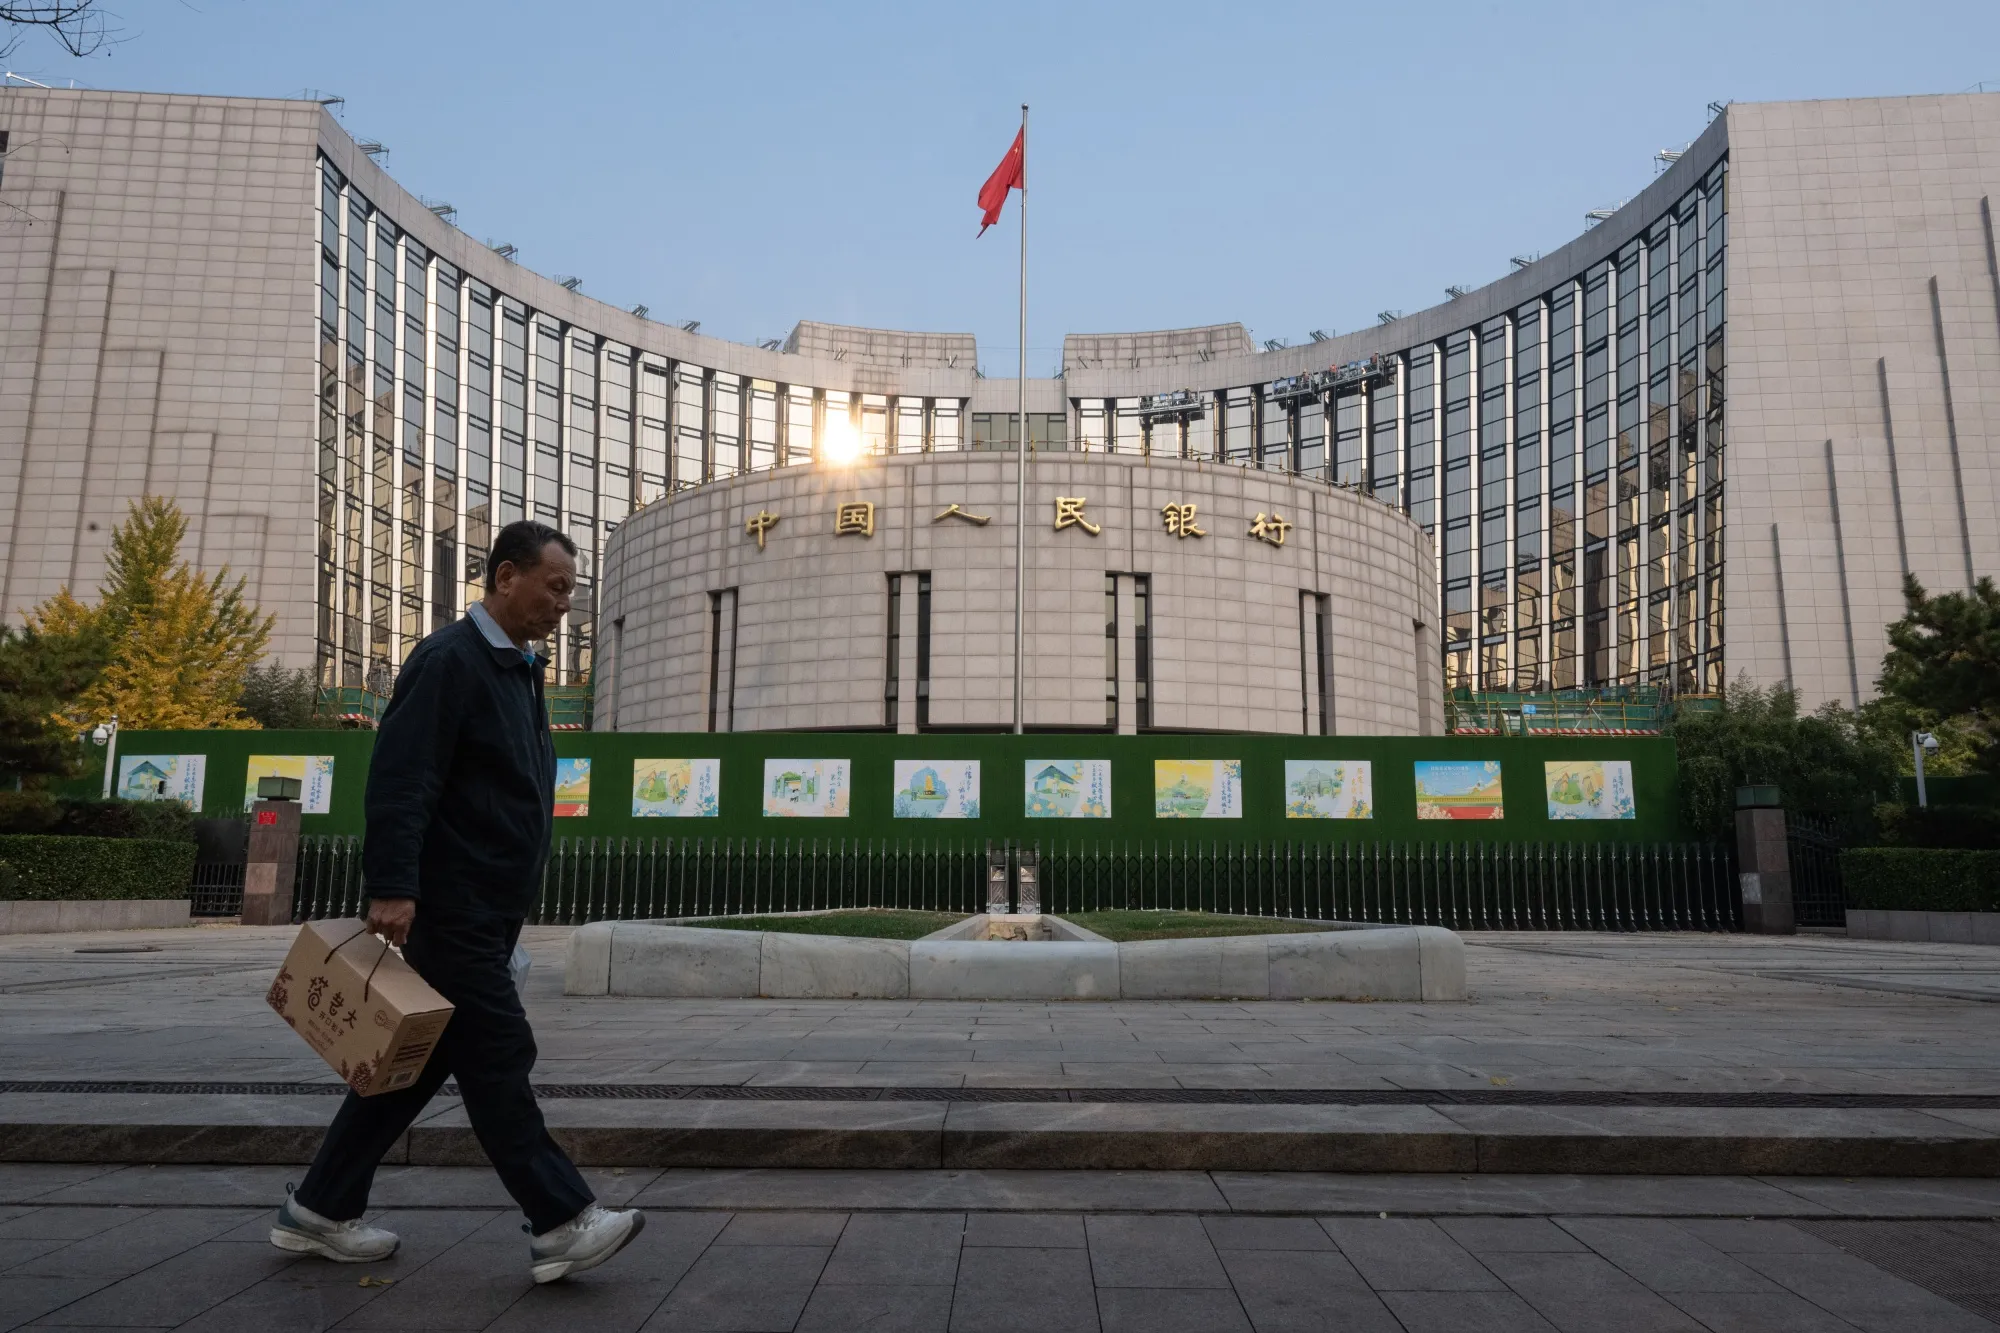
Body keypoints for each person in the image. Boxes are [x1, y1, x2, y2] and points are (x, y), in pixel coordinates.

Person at [270, 520, 643, 1284]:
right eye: (556, 586)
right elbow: (402, 779)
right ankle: (561, 1219)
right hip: (449, 907)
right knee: (500, 1052)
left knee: (411, 1065)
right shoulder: (450, 660)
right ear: (507, 577)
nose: (564, 604)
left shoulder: (517, 669)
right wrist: (394, 886)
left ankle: (317, 1209)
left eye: (572, 590)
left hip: (485, 909)